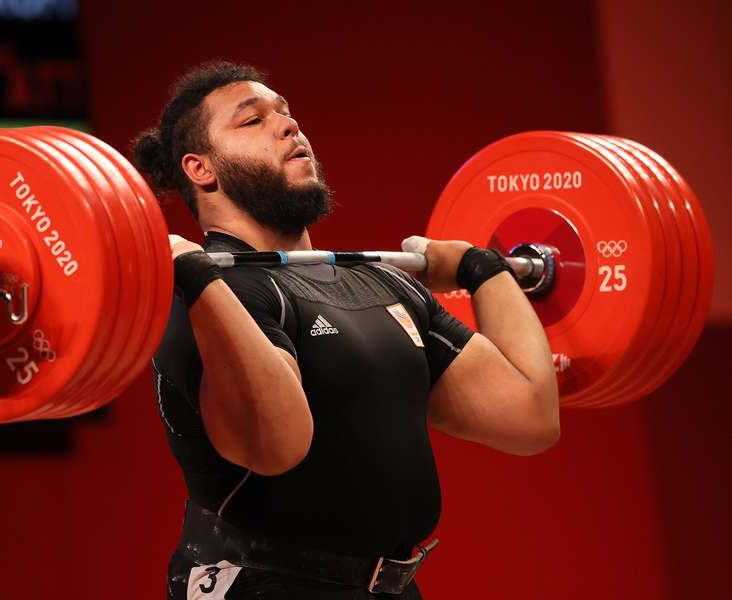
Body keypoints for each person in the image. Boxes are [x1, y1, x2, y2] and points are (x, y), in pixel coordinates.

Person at [131, 61, 560, 599]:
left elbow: (529, 415)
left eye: (287, 113)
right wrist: (197, 283)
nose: (289, 126)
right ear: (201, 169)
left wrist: (483, 271)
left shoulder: (384, 285)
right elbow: (275, 446)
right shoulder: (216, 292)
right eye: (252, 121)